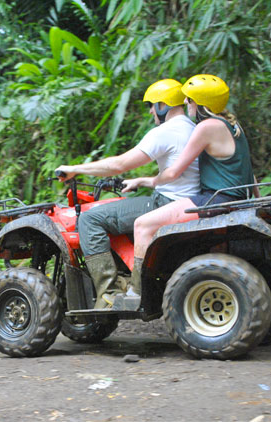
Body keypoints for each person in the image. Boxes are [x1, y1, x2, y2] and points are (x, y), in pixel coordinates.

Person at [55, 78, 199, 309]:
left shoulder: (165, 131)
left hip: (166, 202)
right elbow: (179, 173)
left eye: (152, 105)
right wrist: (141, 181)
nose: (151, 110)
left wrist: (74, 169)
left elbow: (119, 164)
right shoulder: (194, 128)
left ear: (163, 105)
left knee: (90, 219)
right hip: (189, 199)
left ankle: (108, 294)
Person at [122, 74, 257, 311]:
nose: (186, 105)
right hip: (237, 197)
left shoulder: (205, 127)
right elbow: (249, 171)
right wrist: (255, 200)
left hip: (215, 199)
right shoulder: (233, 125)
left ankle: (137, 291)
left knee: (143, 225)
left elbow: (174, 172)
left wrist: (144, 180)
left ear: (201, 104)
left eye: (190, 101)